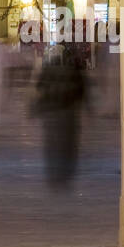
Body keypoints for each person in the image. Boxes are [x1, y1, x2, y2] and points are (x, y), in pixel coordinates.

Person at [33, 43, 87, 187]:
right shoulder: (74, 69)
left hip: (51, 112)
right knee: (68, 143)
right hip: (68, 113)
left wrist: (37, 107)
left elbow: (40, 87)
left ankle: (53, 172)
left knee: (52, 142)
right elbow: (81, 89)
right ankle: (66, 172)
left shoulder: (48, 68)